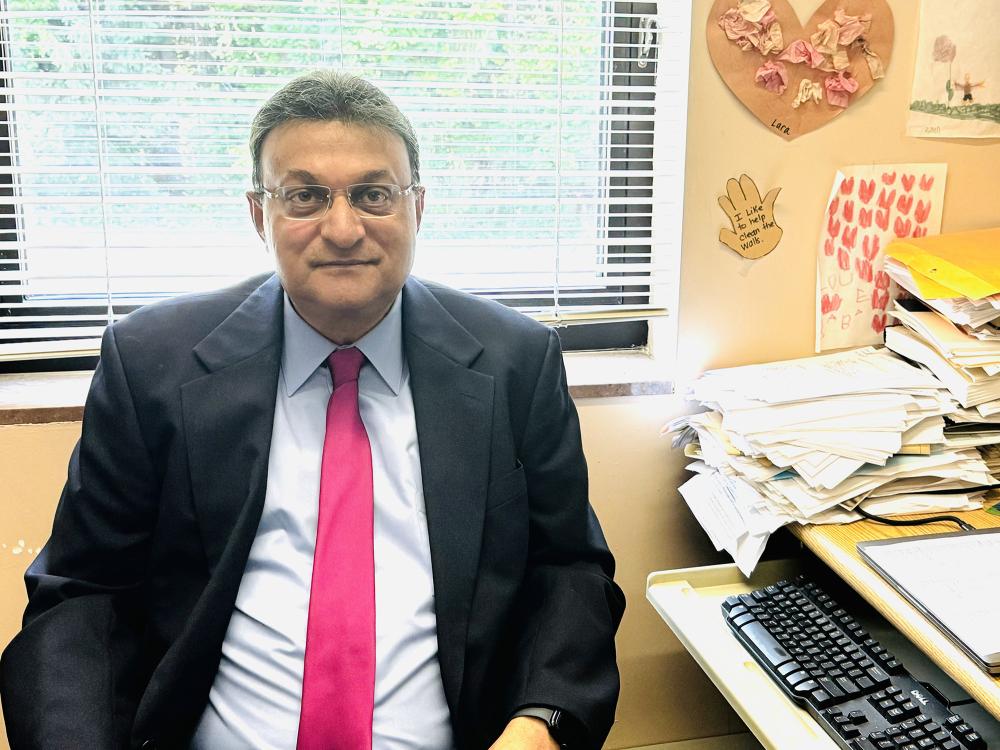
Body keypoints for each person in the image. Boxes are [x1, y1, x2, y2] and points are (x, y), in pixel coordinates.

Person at [0, 71, 625, 750]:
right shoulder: (152, 363)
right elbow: (81, 597)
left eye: (373, 194)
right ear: (257, 213)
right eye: (304, 196)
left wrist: (542, 724)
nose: (343, 227)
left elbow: (569, 571)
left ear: (419, 206)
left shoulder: (515, 363)